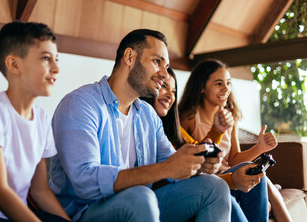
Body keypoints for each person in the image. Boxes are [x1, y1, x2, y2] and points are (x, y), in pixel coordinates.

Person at [49, 29, 231, 222]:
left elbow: (173, 164)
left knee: (215, 188)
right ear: (129, 57)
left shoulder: (147, 114)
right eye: (157, 62)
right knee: (140, 196)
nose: (164, 73)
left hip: (141, 205)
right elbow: (85, 181)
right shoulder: (80, 104)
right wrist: (165, 169)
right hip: (86, 212)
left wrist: (199, 165)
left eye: (166, 65)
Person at [0, 21, 71, 222]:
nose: (56, 69)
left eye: (56, 59)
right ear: (14, 64)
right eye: (46, 58)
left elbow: (41, 191)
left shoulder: (43, 120)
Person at [142, 67, 271, 222]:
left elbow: (195, 151)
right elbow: (175, 176)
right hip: (172, 194)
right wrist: (230, 179)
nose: (170, 95)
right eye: (163, 86)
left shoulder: (172, 129)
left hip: (199, 182)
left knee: (254, 173)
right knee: (220, 192)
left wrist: (212, 139)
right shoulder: (183, 118)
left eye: (174, 91)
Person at [178, 59, 292, 222]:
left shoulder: (231, 116)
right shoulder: (188, 118)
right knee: (261, 178)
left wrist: (259, 147)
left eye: (228, 83)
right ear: (201, 87)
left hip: (231, 175)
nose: (226, 89)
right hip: (208, 179)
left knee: (257, 173)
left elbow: (233, 159)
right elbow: (191, 157)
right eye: (218, 83)